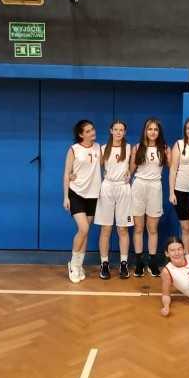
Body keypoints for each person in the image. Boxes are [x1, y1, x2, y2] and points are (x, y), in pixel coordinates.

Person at [130, 118, 171, 277]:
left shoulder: (164, 148)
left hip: (155, 187)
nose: (152, 132)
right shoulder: (137, 148)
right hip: (139, 186)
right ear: (145, 131)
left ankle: (153, 262)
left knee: (152, 228)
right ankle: (139, 262)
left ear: (159, 132)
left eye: (155, 129)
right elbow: (130, 171)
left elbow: (173, 168)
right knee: (138, 228)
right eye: (150, 129)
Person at [93, 120, 133, 279]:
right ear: (111, 131)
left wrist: (130, 172)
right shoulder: (103, 148)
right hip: (107, 187)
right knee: (106, 229)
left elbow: (133, 165)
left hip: (123, 188)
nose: (118, 132)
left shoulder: (129, 148)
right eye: (116, 129)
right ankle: (104, 263)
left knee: (123, 229)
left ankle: (124, 263)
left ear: (125, 132)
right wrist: (74, 174)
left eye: (121, 130)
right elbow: (92, 167)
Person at [63, 120, 101, 284]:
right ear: (81, 134)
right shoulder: (74, 149)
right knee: (83, 228)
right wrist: (66, 197)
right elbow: (67, 174)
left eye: (93, 129)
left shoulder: (98, 148)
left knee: (86, 232)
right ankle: (73, 264)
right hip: (76, 193)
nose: (92, 132)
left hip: (93, 195)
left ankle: (78, 265)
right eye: (88, 131)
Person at [169, 117, 189, 254]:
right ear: (185, 130)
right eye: (188, 128)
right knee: (185, 227)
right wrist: (171, 192)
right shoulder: (179, 144)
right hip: (180, 191)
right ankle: (187, 258)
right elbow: (173, 169)